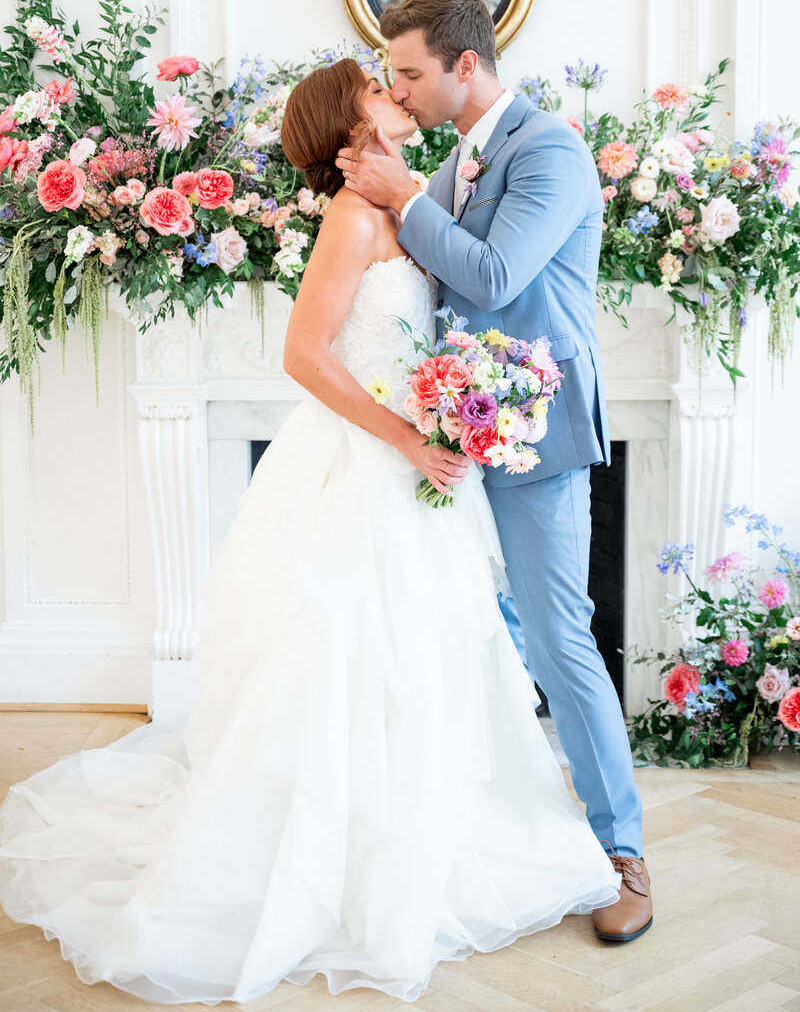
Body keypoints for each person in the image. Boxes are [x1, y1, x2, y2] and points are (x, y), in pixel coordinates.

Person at [0, 58, 620, 1004]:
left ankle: (415, 835)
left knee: (423, 661)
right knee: (345, 659)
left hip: (425, 470)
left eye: (401, 77)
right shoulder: (350, 217)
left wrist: (449, 415)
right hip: (364, 466)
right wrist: (413, 438)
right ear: (352, 123)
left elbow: (475, 293)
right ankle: (328, 858)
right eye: (382, 87)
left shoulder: (421, 202)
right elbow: (304, 353)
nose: (398, 95)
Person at [335, 0, 653, 944]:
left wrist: (396, 193)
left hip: (539, 431)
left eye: (411, 72)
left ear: (465, 66)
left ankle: (625, 851)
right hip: (458, 432)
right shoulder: (458, 163)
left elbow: (498, 276)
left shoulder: (548, 147)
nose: (404, 87)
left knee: (559, 640)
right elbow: (420, 277)